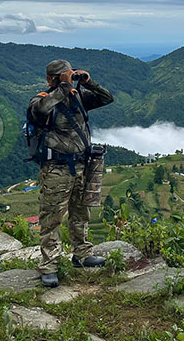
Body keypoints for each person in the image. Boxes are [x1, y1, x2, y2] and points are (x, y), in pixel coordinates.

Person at [27, 59, 114, 287]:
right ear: (50, 79)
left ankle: (82, 254)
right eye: (62, 76)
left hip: (83, 167)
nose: (68, 79)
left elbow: (107, 98)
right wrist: (62, 87)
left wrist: (88, 82)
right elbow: (39, 111)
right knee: (52, 218)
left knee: (80, 212)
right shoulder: (42, 100)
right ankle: (49, 265)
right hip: (56, 169)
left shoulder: (78, 97)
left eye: (69, 74)